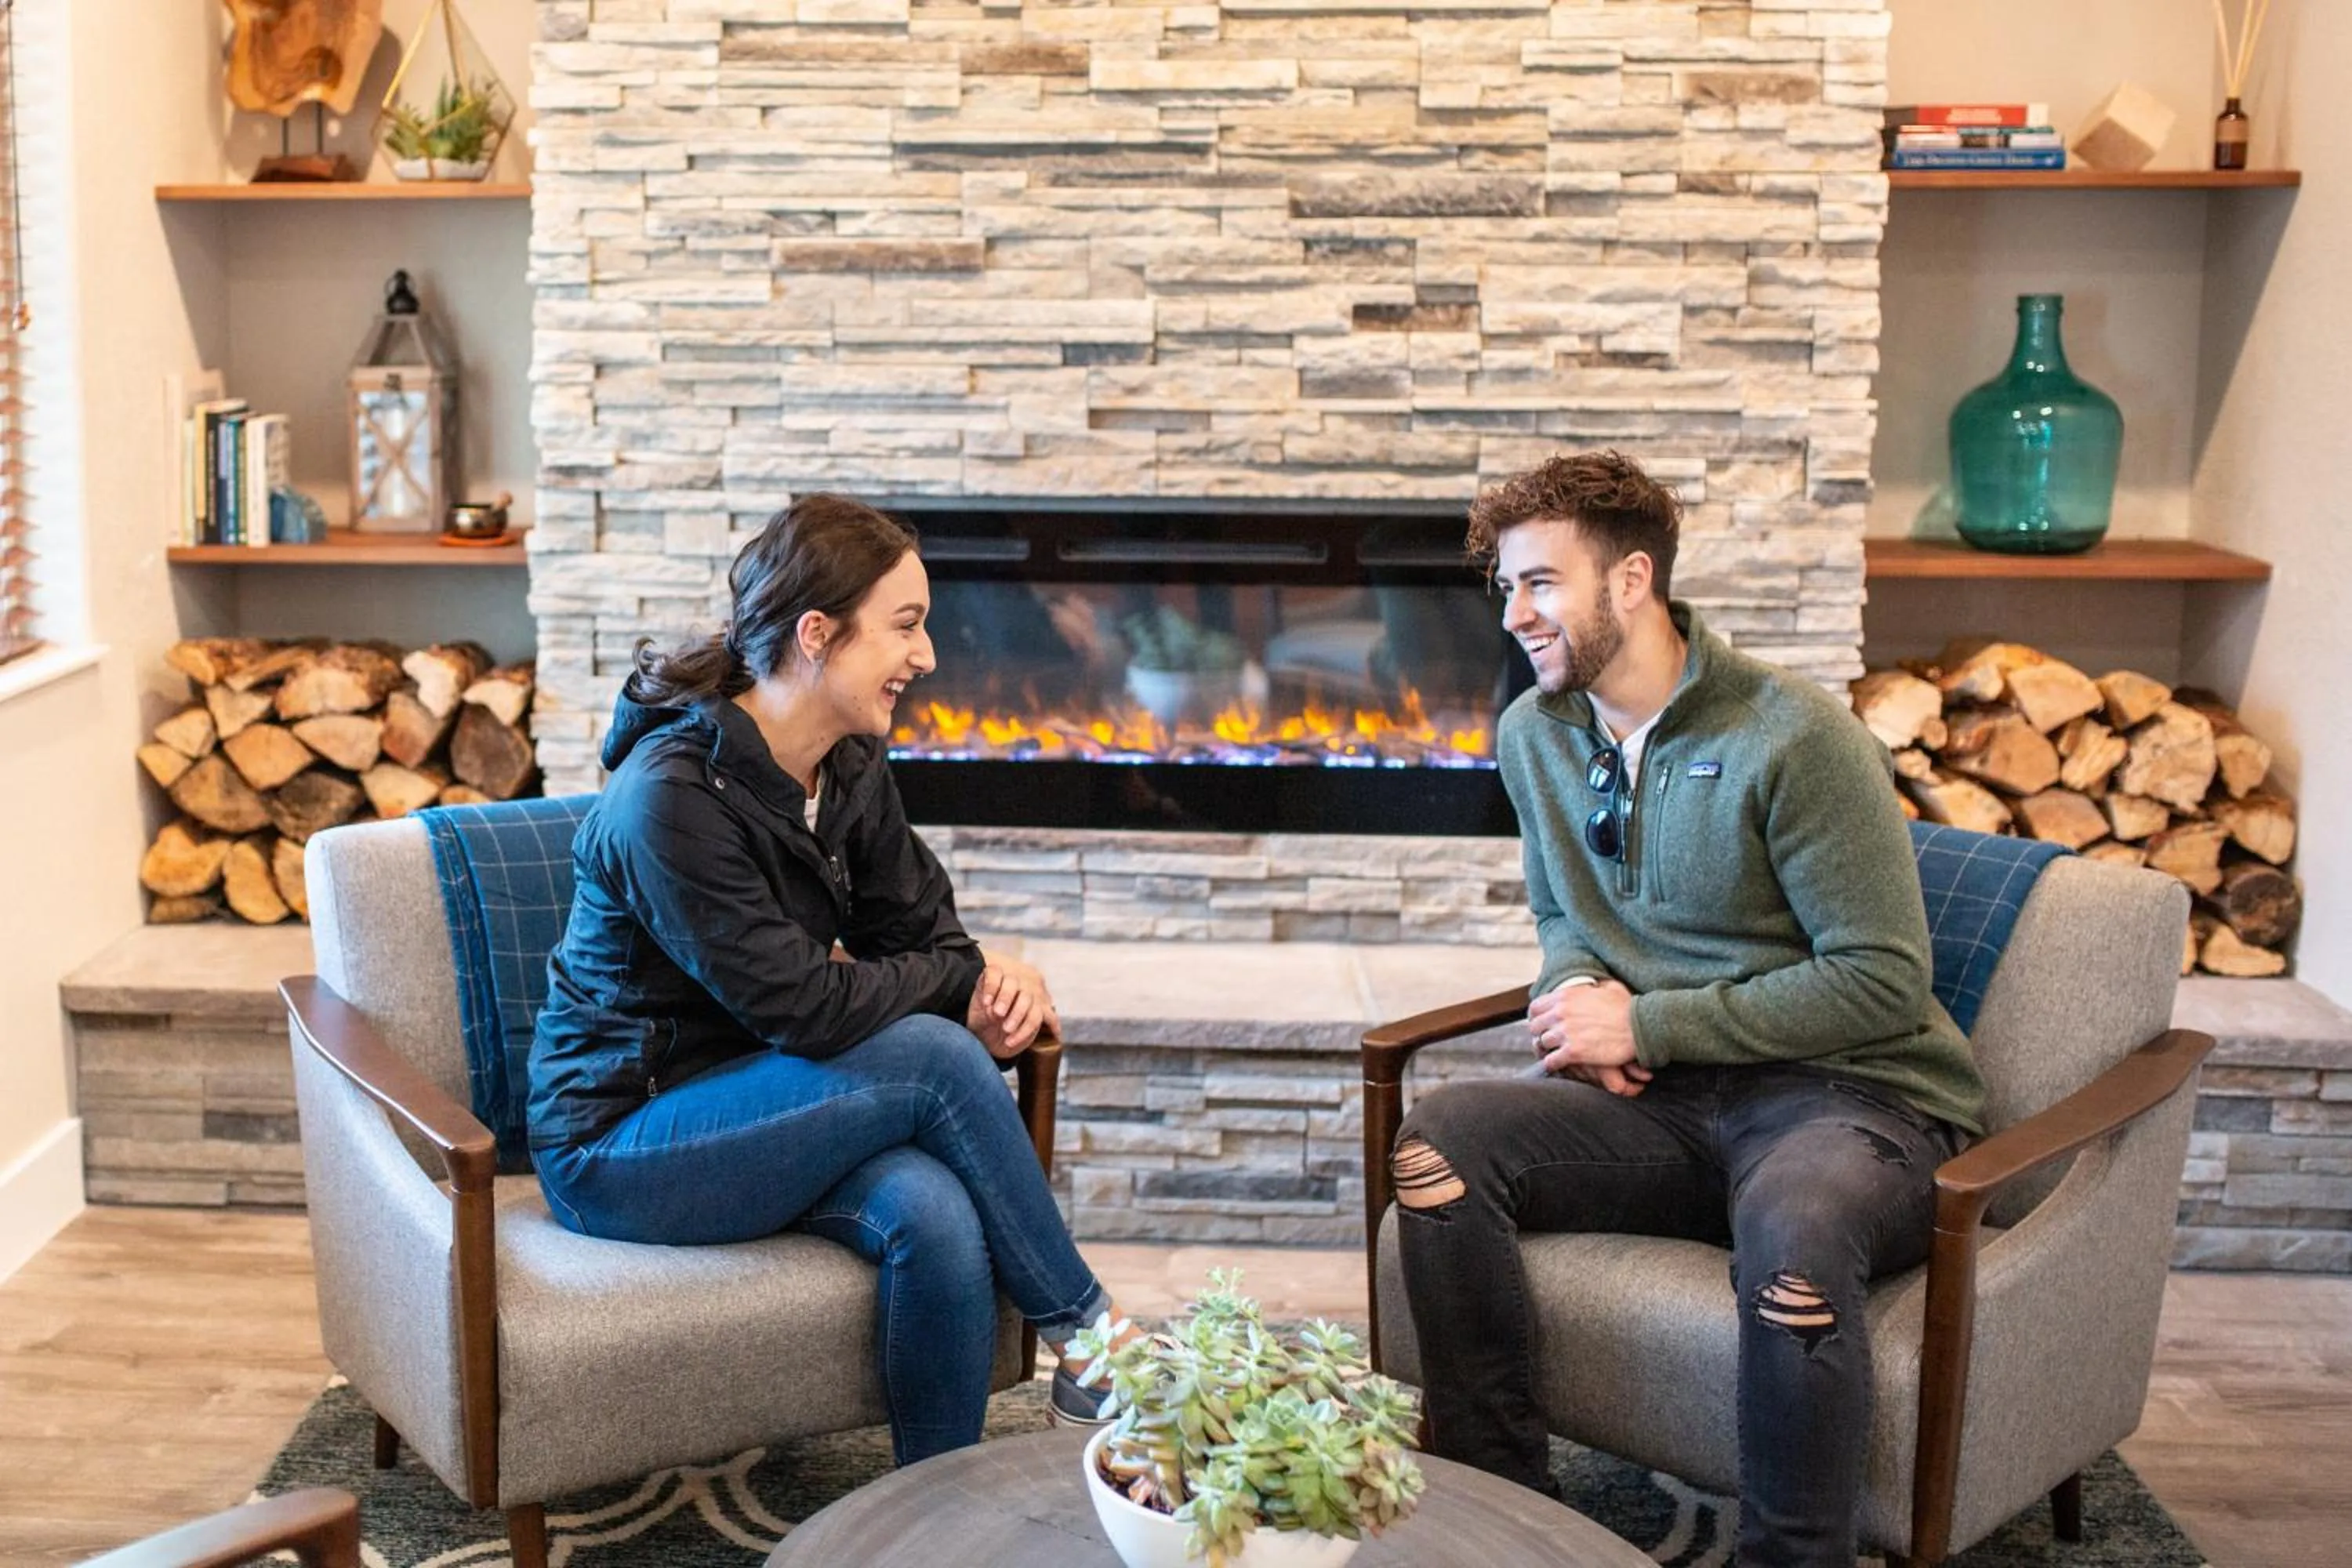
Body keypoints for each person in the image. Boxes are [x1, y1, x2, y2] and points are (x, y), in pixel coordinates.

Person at [1388, 451, 1984, 1567]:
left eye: (1541, 583)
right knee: (1442, 1147)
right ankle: (1498, 1515)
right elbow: (1562, 912)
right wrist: (1574, 989)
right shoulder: (1535, 733)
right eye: (1507, 588)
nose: (1514, 615)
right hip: (1664, 1106)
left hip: (1853, 1102)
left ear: (1632, 581)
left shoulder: (1794, 737)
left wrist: (1648, 1024)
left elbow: (1881, 977)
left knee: (1797, 1231)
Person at [527, 493, 1134, 1466]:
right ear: (816, 635)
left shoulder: (846, 761)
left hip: (767, 1099)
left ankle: (933, 1500)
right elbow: (807, 1008)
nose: (926, 655)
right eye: (905, 625)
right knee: (932, 1057)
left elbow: (920, 930)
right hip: (623, 1141)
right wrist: (961, 980)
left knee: (933, 1211)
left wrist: (980, 982)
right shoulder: (669, 798)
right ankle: (1099, 1351)